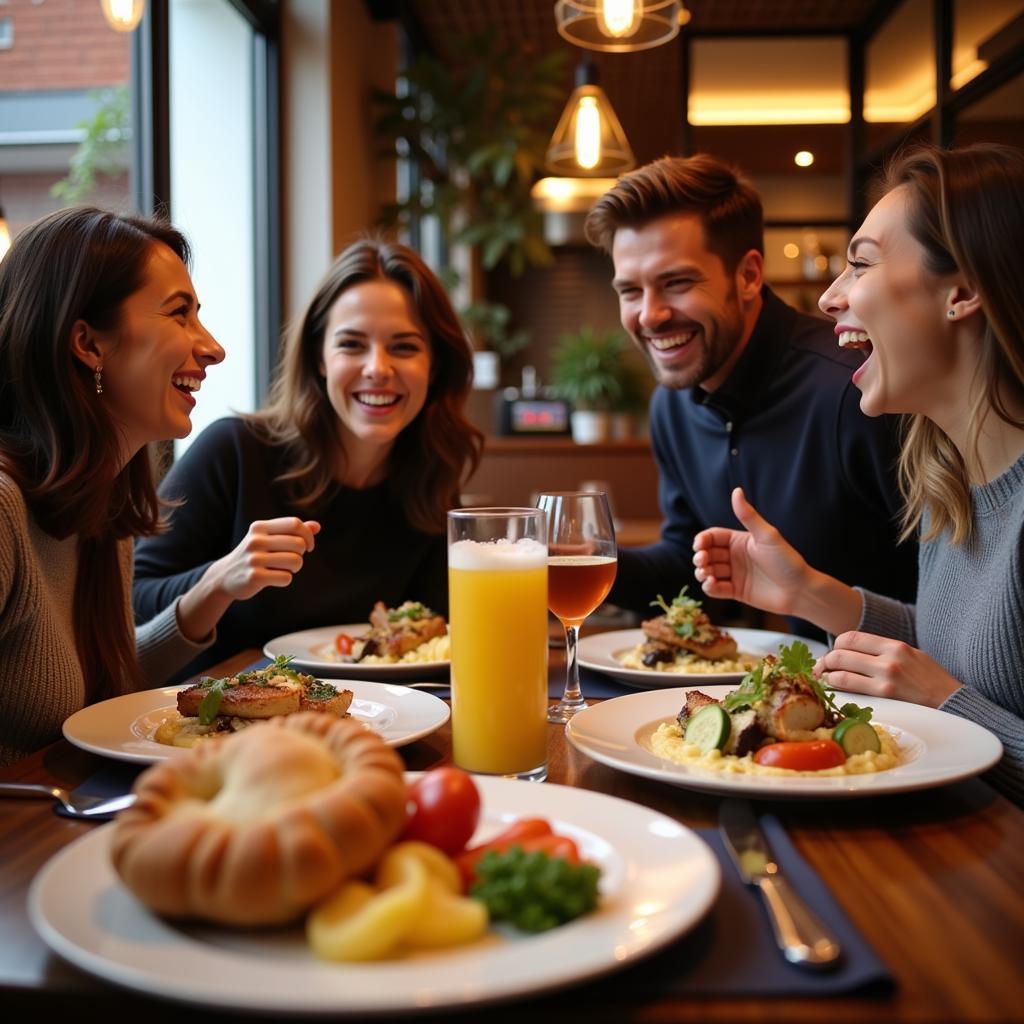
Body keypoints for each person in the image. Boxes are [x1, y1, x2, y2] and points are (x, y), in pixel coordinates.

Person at [692, 143, 1024, 803]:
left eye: (861, 264)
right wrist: (810, 593)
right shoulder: (945, 477)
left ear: (962, 291)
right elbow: (954, 650)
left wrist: (948, 706)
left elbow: (950, 685)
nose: (829, 296)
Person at [583, 154, 917, 634]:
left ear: (748, 275)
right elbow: (690, 572)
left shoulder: (861, 389)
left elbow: (957, 606)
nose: (650, 315)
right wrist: (575, 562)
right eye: (630, 291)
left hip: (912, 700)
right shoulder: (672, 406)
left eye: (675, 283)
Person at [133, 238, 484, 678]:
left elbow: (439, 639)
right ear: (319, 357)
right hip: (218, 726)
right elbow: (133, 600)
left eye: (404, 347)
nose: (378, 368)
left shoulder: (430, 479)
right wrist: (221, 578)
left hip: (372, 719)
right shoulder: (234, 451)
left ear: (435, 365)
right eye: (352, 345)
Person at [0, 206, 225, 764]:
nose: (212, 348)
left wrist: (211, 594)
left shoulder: (103, 503)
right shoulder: (4, 509)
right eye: (180, 315)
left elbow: (100, 687)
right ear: (88, 343)